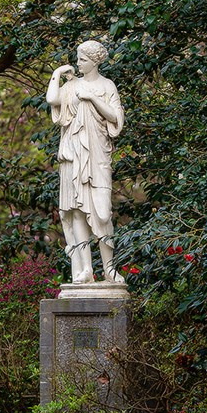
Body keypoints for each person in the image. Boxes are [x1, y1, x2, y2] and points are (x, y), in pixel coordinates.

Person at [46, 40, 124, 283]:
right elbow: (52, 99)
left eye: (82, 59)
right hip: (73, 154)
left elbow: (115, 116)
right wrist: (57, 74)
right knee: (77, 211)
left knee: (102, 213)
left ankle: (110, 269)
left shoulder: (106, 85)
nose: (78, 63)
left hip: (98, 155)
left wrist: (91, 97)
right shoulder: (71, 86)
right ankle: (86, 270)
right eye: (78, 59)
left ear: (94, 61)